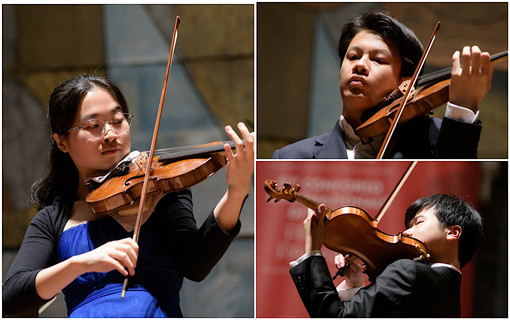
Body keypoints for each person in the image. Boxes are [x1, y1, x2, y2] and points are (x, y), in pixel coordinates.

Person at [2, 75, 255, 317]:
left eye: (118, 120)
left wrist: (236, 193)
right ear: (62, 142)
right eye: (93, 126)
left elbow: (196, 264)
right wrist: (82, 263)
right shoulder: (55, 218)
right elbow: (10, 298)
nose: (110, 134)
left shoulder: (159, 190)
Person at [272, 11, 495, 159]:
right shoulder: (289, 158)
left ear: (406, 83)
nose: (360, 65)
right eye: (352, 56)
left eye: (378, 59)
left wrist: (463, 109)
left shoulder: (440, 139)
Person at [289, 194, 483, 317]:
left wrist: (313, 250)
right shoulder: (450, 297)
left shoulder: (409, 271)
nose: (406, 232)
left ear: (453, 232)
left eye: (419, 223)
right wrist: (355, 287)